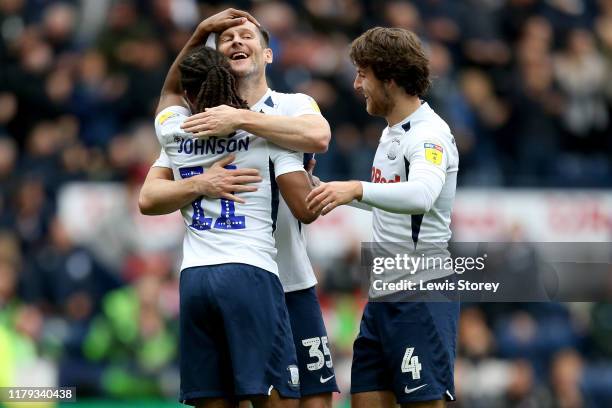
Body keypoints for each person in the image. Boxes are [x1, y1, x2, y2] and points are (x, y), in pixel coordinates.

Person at [138, 11, 320, 408]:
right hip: (251, 272)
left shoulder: (175, 130)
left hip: (194, 277)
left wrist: (202, 30)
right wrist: (314, 184)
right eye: (227, 38)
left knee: (212, 398)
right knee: (279, 397)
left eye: (245, 35)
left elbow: (169, 89)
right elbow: (305, 208)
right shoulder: (267, 130)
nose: (236, 40)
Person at [306, 28, 460, 408]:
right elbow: (390, 200)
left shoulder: (428, 136)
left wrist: (355, 188)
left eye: (363, 74)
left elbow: (421, 196)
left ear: (390, 78)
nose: (357, 84)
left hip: (421, 296)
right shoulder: (392, 134)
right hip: (381, 298)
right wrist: (328, 189)